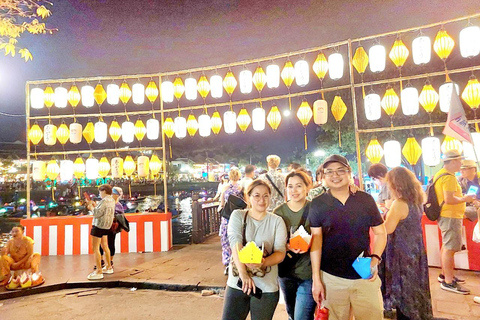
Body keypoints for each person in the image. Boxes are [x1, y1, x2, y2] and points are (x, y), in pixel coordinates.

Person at [309, 154, 387, 320]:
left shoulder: (365, 199)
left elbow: (381, 232)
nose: (335, 175)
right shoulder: (317, 204)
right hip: (331, 277)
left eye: (340, 170)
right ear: (323, 176)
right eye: (329, 172)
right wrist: (316, 279)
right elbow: (316, 242)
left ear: (349, 172)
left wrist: (375, 258)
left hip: (364, 274)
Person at [221, 179, 287, 320]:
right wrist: (243, 274)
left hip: (266, 286)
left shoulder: (277, 221)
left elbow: (281, 252)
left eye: (265, 195)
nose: (261, 200)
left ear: (270, 197)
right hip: (238, 283)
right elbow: (235, 244)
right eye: (256, 195)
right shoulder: (238, 215)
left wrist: (263, 262)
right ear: (248, 197)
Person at [384, 167, 433, 320]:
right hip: (415, 248)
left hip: (401, 250)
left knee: (403, 290)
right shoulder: (417, 200)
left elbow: (388, 228)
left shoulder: (399, 203)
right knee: (416, 286)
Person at [274, 170, 315, 320]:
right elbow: (274, 242)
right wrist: (286, 246)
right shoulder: (278, 212)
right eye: (290, 186)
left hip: (308, 273)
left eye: (298, 186)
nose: (294, 190)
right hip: (286, 272)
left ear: (307, 187)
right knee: (291, 313)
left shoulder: (315, 209)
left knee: (302, 317)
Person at [434, 150, 474, 294]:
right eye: (458, 161)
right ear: (451, 162)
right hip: (450, 215)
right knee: (450, 248)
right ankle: (448, 282)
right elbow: (449, 199)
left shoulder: (441, 174)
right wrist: (465, 199)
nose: (461, 164)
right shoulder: (449, 178)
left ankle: (446, 275)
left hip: (447, 215)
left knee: (446, 246)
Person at [86, 184, 115, 280]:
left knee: (95, 248)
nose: (99, 194)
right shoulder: (112, 200)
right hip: (107, 226)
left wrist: (91, 207)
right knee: (105, 246)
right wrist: (95, 206)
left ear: (104, 191)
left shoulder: (104, 200)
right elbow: (103, 211)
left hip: (98, 226)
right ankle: (108, 267)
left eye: (100, 192)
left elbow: (97, 213)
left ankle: (99, 271)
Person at [219, 168, 243, 275]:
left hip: (227, 218)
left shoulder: (225, 187)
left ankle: (228, 263)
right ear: (238, 176)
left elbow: (221, 204)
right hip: (238, 217)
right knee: (238, 240)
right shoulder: (241, 188)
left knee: (226, 241)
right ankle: (237, 263)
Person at [99, 187, 126, 269]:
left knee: (110, 243)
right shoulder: (107, 203)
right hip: (104, 225)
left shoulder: (119, 205)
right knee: (101, 244)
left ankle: (110, 261)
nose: (114, 196)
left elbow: (121, 216)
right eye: (113, 194)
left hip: (112, 227)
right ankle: (101, 260)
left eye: (116, 194)